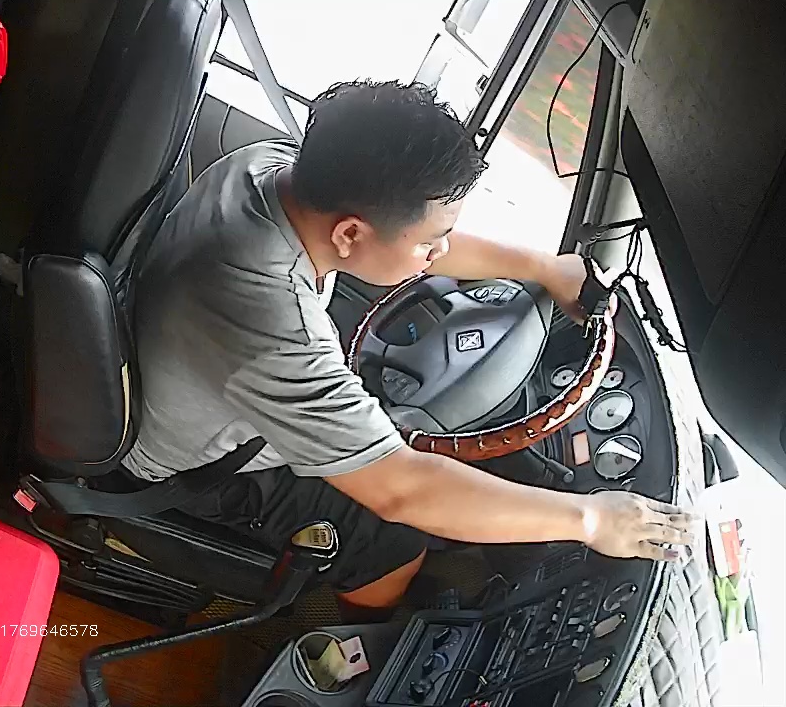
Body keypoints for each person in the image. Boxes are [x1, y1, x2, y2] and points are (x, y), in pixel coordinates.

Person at [121, 79, 696, 619]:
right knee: (390, 544)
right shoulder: (274, 324)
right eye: (429, 242)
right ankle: (354, 638)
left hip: (193, 370)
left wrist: (542, 267)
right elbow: (402, 489)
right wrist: (591, 519)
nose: (438, 253)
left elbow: (409, 242)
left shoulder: (271, 168)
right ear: (350, 234)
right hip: (196, 466)